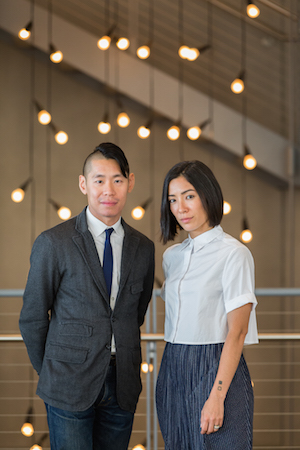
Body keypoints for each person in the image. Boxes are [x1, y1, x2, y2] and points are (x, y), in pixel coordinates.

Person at [19, 142, 155, 450]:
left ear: (130, 183)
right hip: (67, 383)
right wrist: (54, 369)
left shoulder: (143, 248)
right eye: (99, 180)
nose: (109, 189)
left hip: (122, 385)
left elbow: (135, 312)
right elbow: (32, 318)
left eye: (118, 180)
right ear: (84, 184)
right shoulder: (54, 242)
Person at [156, 160, 258, 450]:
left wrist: (217, 396)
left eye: (189, 196)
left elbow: (237, 332)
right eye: (173, 200)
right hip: (173, 368)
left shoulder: (234, 254)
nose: (180, 208)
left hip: (216, 366)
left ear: (208, 195)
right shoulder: (172, 257)